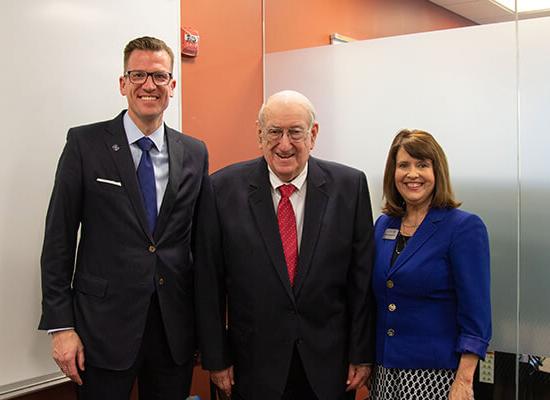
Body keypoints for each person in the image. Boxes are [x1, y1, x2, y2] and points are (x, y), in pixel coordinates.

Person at [38, 36, 210, 400]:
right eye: (138, 75)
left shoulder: (195, 153)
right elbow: (59, 240)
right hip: (100, 332)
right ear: (123, 83)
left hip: (173, 332)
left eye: (159, 76)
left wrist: (205, 329)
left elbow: (201, 247)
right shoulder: (84, 145)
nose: (149, 85)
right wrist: (61, 327)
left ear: (172, 85)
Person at [195, 90, 376, 400]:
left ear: (313, 134)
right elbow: (208, 282)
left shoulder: (350, 187)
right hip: (250, 367)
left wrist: (361, 353)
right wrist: (216, 358)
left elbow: (360, 281)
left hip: (328, 366)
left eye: (295, 132)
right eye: (274, 132)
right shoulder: (221, 189)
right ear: (259, 134)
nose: (284, 144)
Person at [370, 129, 491, 400]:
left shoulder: (463, 227)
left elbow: (476, 315)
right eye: (404, 165)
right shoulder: (383, 226)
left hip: (436, 375)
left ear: (437, 171)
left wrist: (464, 381)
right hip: (385, 373)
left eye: (422, 165)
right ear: (393, 173)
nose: (412, 174)